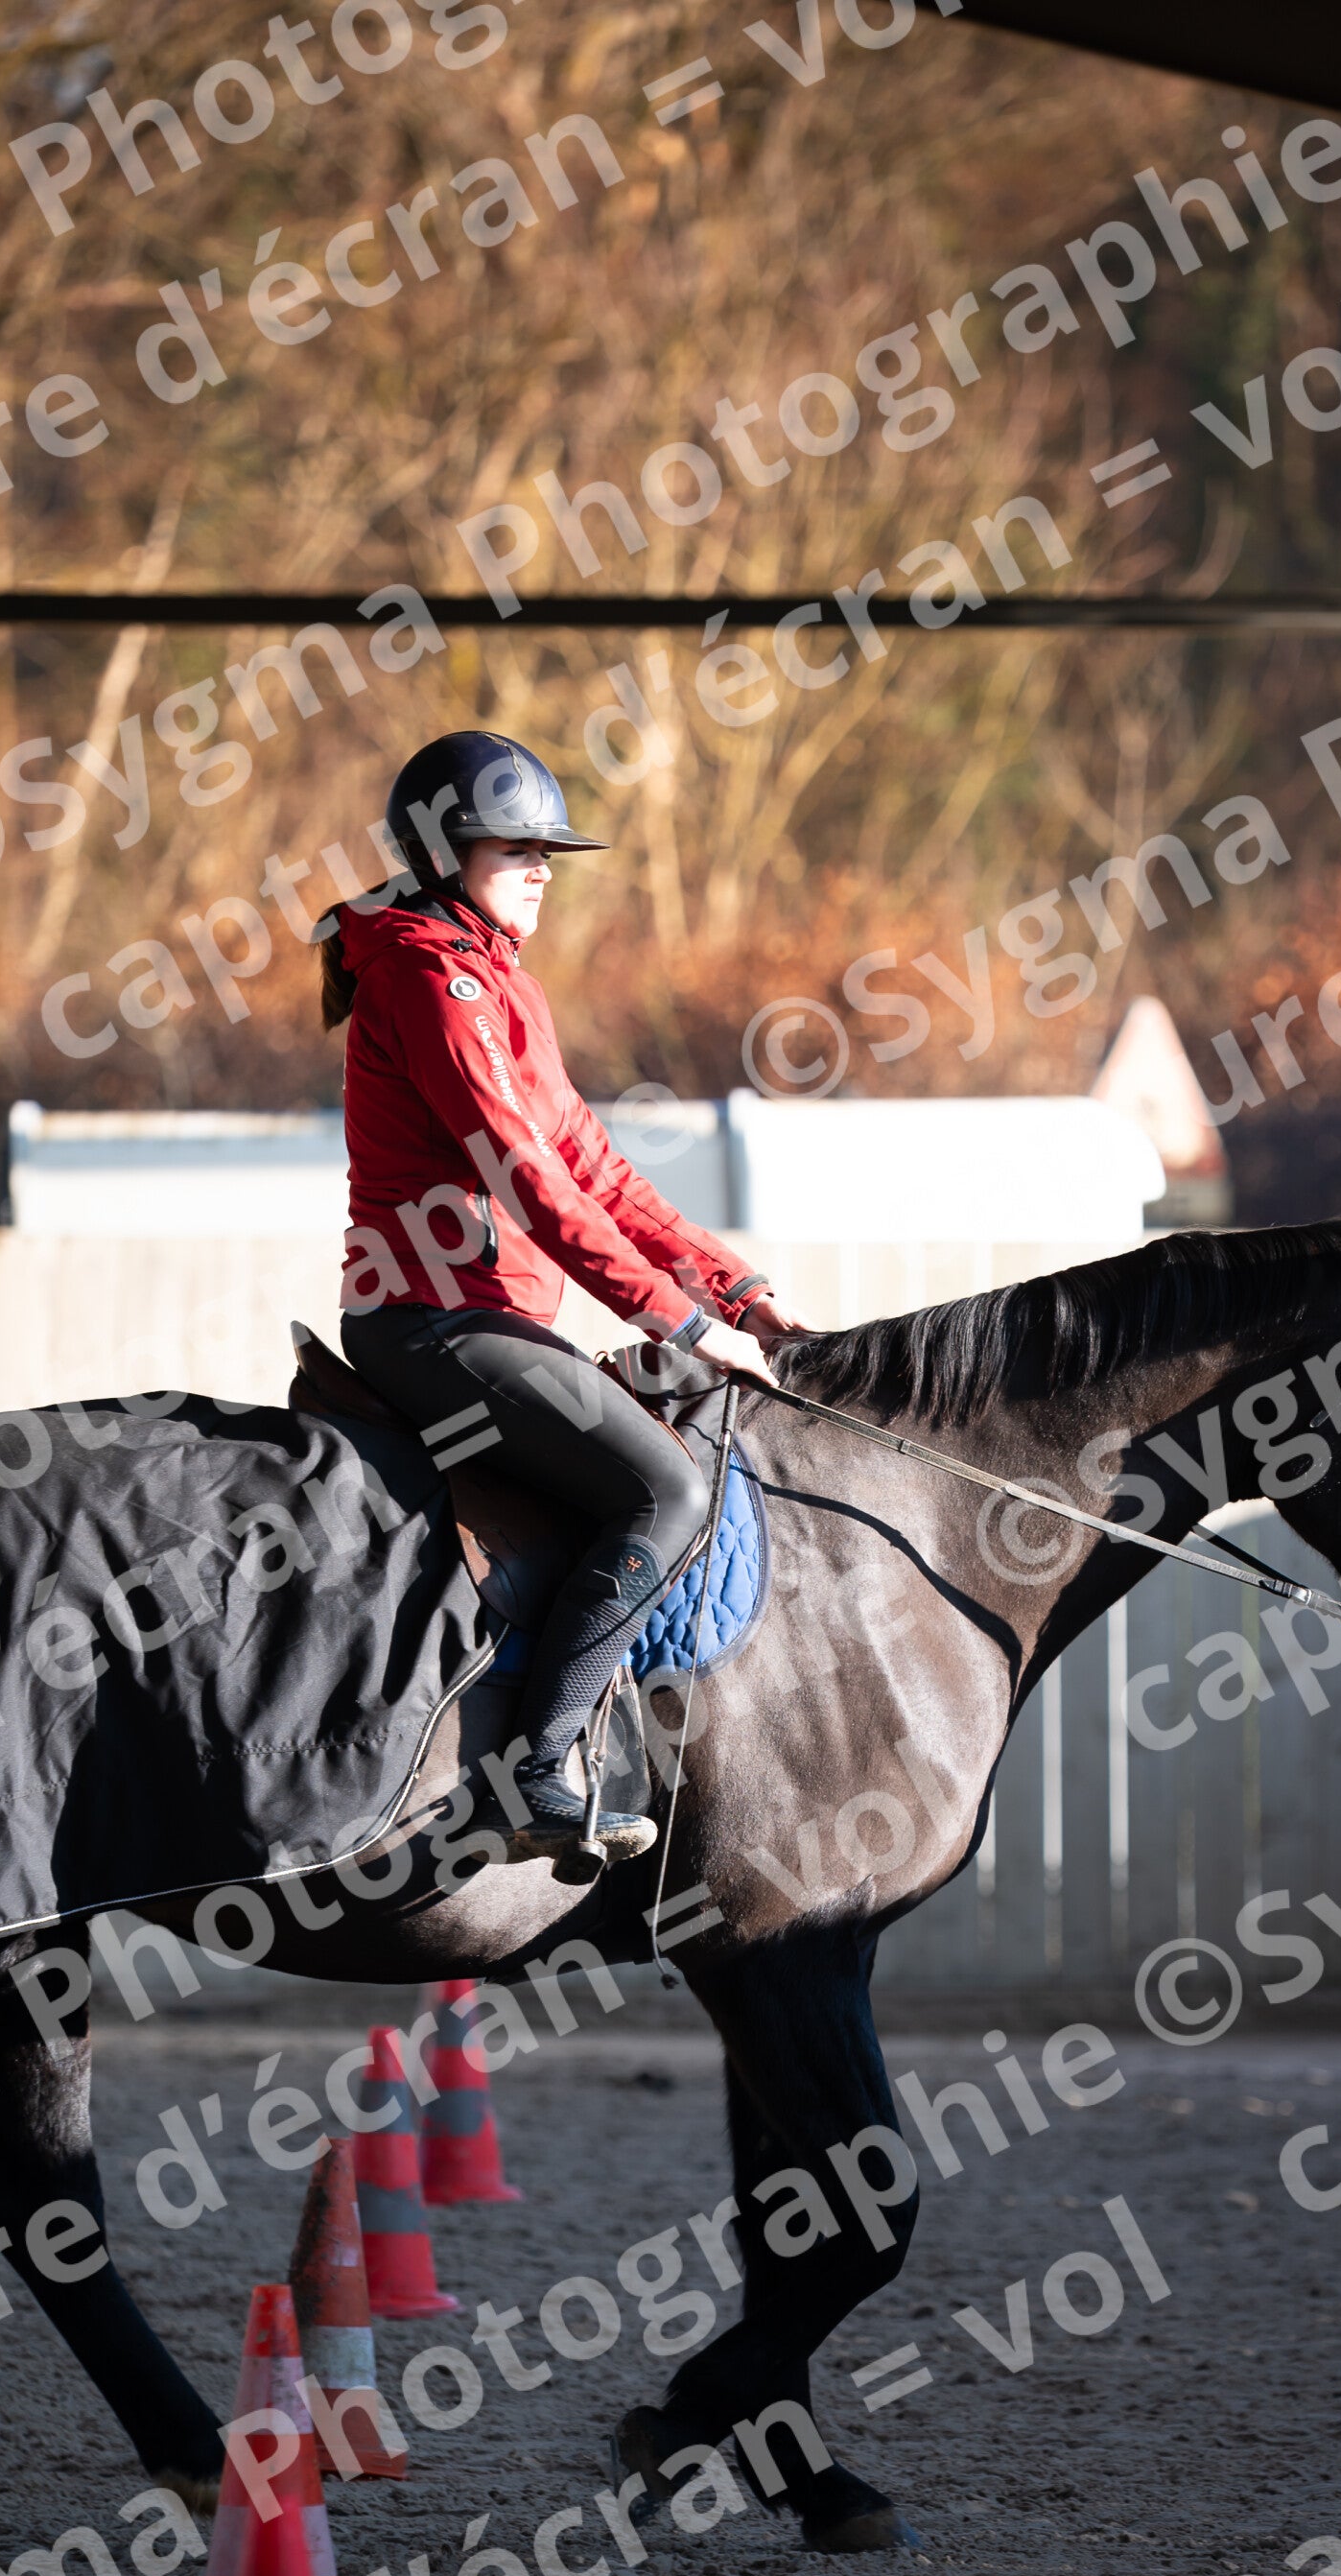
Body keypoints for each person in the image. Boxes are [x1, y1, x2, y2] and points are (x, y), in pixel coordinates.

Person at [320, 729, 806, 1856]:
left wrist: (732, 1287)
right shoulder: (430, 981)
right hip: (430, 1321)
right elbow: (528, 1182)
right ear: (442, 855)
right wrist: (675, 1320)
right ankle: (536, 1772)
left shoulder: (503, 986)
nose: (542, 868)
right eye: (517, 849)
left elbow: (593, 1166)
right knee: (666, 1493)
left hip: (488, 1316)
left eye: (548, 852)